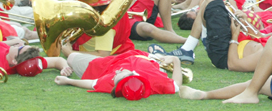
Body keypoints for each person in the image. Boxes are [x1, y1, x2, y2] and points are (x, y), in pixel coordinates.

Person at [55, 51, 183, 101]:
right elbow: (176, 84)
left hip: (103, 65)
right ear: (132, 75)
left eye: (116, 78)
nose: (115, 74)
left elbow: (90, 83)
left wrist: (68, 81)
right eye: (119, 74)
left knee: (71, 57)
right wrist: (175, 61)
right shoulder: (157, 81)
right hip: (147, 57)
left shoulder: (109, 82)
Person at [0, 39, 71, 77]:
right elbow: (57, 60)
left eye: (20, 47)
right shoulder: (21, 59)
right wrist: (65, 67)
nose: (19, 44)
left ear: (14, 61)